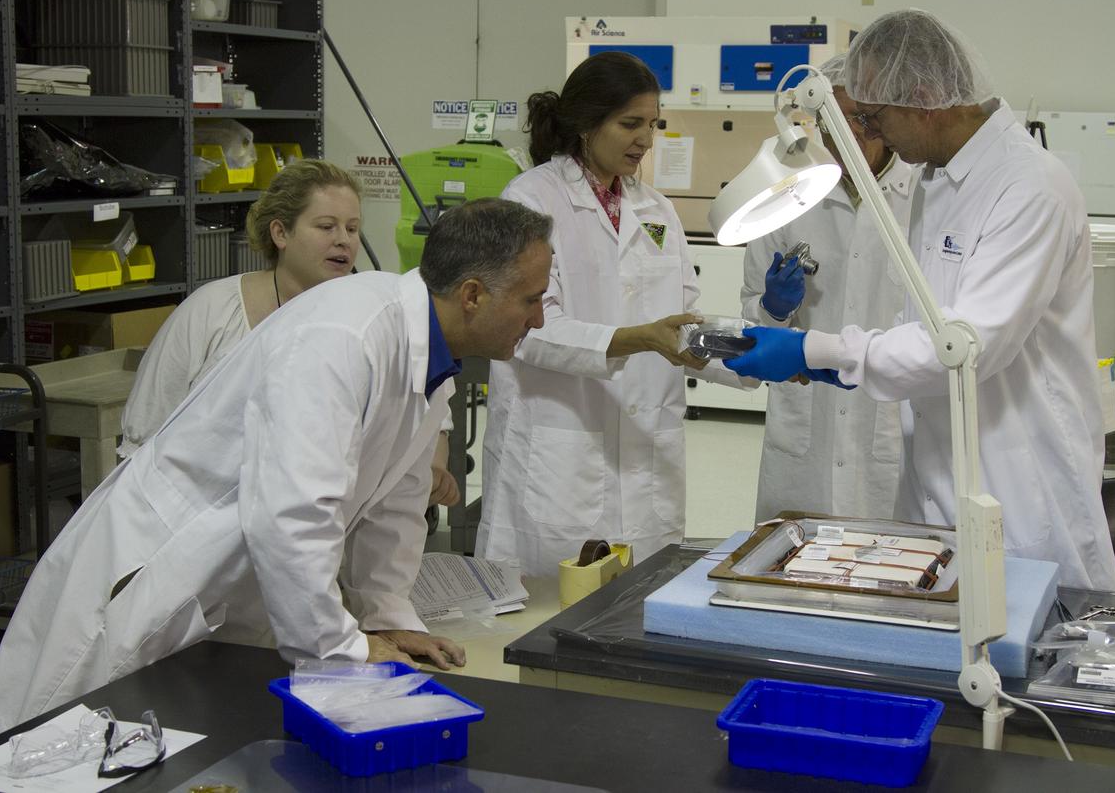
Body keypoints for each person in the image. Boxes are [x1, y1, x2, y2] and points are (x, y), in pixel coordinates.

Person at [0, 198, 553, 731]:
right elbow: (293, 515)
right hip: (155, 574)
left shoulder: (427, 351)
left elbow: (396, 495)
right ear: (474, 294)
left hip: (234, 590)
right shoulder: (343, 337)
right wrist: (344, 653)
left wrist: (385, 614)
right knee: (66, 752)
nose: (539, 321)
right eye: (531, 300)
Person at [724, 9, 1115, 592]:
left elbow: (963, 346)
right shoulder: (941, 181)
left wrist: (816, 351)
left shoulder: (1028, 186)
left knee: (1032, 647)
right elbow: (921, 328)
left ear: (927, 97)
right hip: (939, 472)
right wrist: (839, 366)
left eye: (876, 117)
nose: (876, 136)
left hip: (1021, 479)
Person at [477, 50, 725, 577]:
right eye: (630, 123)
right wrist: (637, 338)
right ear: (587, 125)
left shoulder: (656, 209)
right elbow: (527, 330)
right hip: (559, 449)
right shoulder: (532, 199)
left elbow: (685, 318)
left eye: (653, 124)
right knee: (547, 608)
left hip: (643, 450)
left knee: (637, 606)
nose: (646, 139)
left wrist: (755, 356)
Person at [119, 158, 458, 507]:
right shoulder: (213, 310)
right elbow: (145, 432)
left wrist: (434, 468)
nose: (343, 240)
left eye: (353, 229)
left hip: (327, 518)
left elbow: (431, 412)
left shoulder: (377, 316)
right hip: (195, 515)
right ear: (281, 233)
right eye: (327, 226)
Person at [741, 54, 919, 523]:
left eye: (859, 119)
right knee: (791, 564)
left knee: (890, 566)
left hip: (886, 421)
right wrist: (774, 308)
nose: (847, 134)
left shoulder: (923, 194)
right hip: (808, 421)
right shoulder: (788, 188)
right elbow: (752, 318)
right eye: (831, 119)